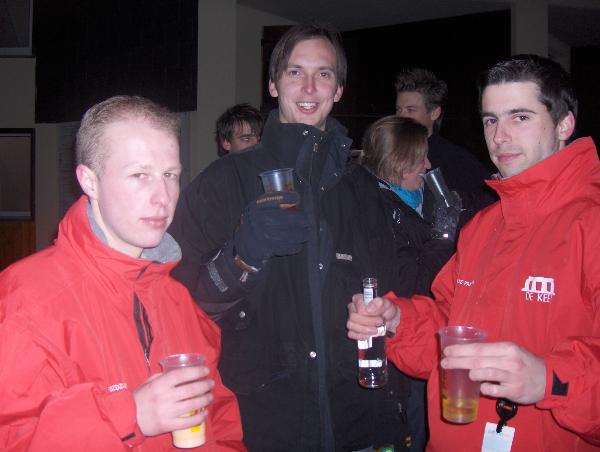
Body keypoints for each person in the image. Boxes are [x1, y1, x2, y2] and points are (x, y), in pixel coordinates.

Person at [170, 24, 412, 451]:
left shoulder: (362, 190)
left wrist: (394, 306)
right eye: (295, 72)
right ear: (273, 84)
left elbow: (397, 295)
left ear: (339, 90)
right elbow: (177, 303)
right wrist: (241, 257)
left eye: (324, 74)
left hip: (355, 421)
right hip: (263, 423)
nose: (309, 87)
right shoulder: (225, 182)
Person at [348, 54, 600, 451]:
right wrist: (398, 320)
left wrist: (550, 379)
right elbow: (451, 336)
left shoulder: (591, 223)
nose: (500, 136)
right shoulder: (483, 227)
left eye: (520, 117)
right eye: (490, 120)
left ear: (564, 124)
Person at [0, 95, 245, 451]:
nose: (163, 197)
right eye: (139, 175)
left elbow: (220, 421)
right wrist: (130, 415)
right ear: (90, 181)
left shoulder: (178, 300)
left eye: (170, 175)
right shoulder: (24, 299)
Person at [362, 115, 462, 451]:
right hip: (401, 353)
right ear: (399, 163)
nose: (428, 165)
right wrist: (443, 237)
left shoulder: (416, 199)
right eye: (421, 158)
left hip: (427, 335)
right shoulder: (378, 211)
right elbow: (413, 286)